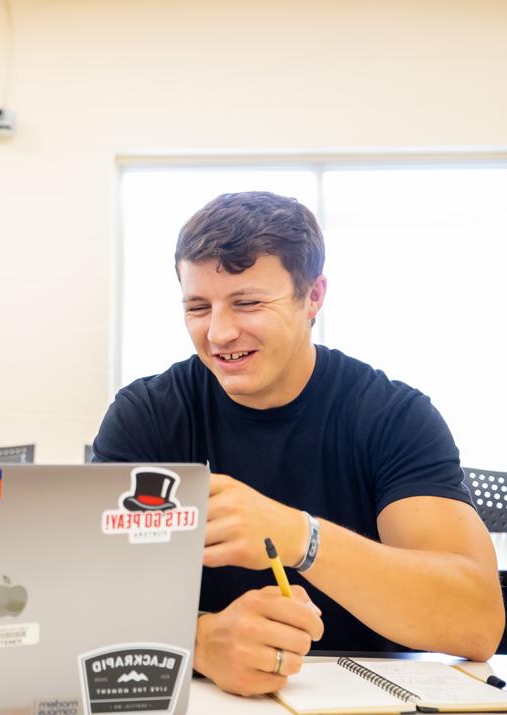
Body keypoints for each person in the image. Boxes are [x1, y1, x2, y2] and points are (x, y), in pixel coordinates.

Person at [92, 191, 502, 696]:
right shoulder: (147, 416)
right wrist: (196, 642)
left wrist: (299, 538)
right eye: (198, 307)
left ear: (313, 297)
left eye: (247, 303)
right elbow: (83, 596)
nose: (219, 333)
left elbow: (477, 620)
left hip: (364, 700)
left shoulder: (393, 416)